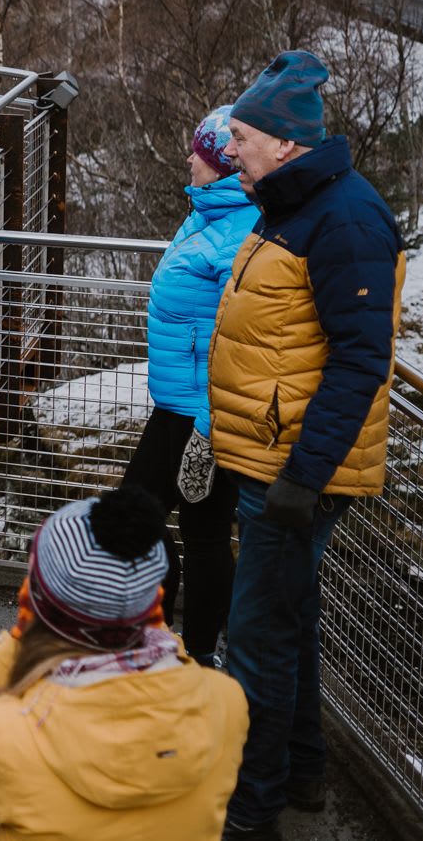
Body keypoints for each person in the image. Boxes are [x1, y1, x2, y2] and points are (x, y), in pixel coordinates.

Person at [208, 51, 403, 840]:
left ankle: (247, 815)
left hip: (295, 471)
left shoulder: (345, 218)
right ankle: (304, 771)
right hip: (273, 459)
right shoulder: (292, 202)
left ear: (286, 143)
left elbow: (361, 359)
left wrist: (302, 479)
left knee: (256, 640)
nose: (234, 152)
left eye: (244, 138)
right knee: (292, 621)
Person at [0, 487, 249, 840]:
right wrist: (163, 636)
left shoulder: (12, 737)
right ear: (150, 603)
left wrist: (15, 645)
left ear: (39, 604)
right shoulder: (226, 705)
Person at [121, 105, 252, 663]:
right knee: (182, 527)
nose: (187, 159)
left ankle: (196, 650)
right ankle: (176, 639)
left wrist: (207, 427)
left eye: (197, 151)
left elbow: (240, 339)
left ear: (221, 162)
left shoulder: (240, 228)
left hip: (202, 412)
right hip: (178, 403)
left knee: (175, 524)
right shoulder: (206, 214)